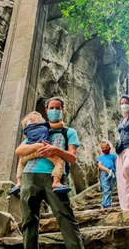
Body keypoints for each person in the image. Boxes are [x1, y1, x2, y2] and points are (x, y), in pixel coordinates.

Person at [15, 97, 84, 249]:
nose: (54, 111)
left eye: (57, 108)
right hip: (29, 176)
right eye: (51, 108)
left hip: (55, 178)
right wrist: (37, 147)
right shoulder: (36, 130)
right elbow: (19, 151)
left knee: (65, 216)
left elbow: (72, 157)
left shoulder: (69, 132)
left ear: (63, 111)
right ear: (46, 111)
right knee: (28, 220)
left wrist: (56, 150)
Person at [10, 111, 71, 196]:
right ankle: (56, 182)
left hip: (31, 152)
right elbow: (60, 125)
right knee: (59, 162)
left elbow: (18, 151)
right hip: (44, 148)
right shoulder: (43, 125)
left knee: (21, 162)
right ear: (33, 119)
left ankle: (18, 182)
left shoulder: (26, 130)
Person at [96, 140, 117, 209]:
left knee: (109, 190)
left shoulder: (113, 155)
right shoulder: (100, 157)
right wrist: (107, 170)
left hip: (113, 173)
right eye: (103, 148)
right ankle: (107, 204)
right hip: (105, 173)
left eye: (106, 147)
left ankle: (104, 203)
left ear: (109, 147)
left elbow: (117, 163)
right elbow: (99, 166)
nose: (105, 149)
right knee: (107, 189)